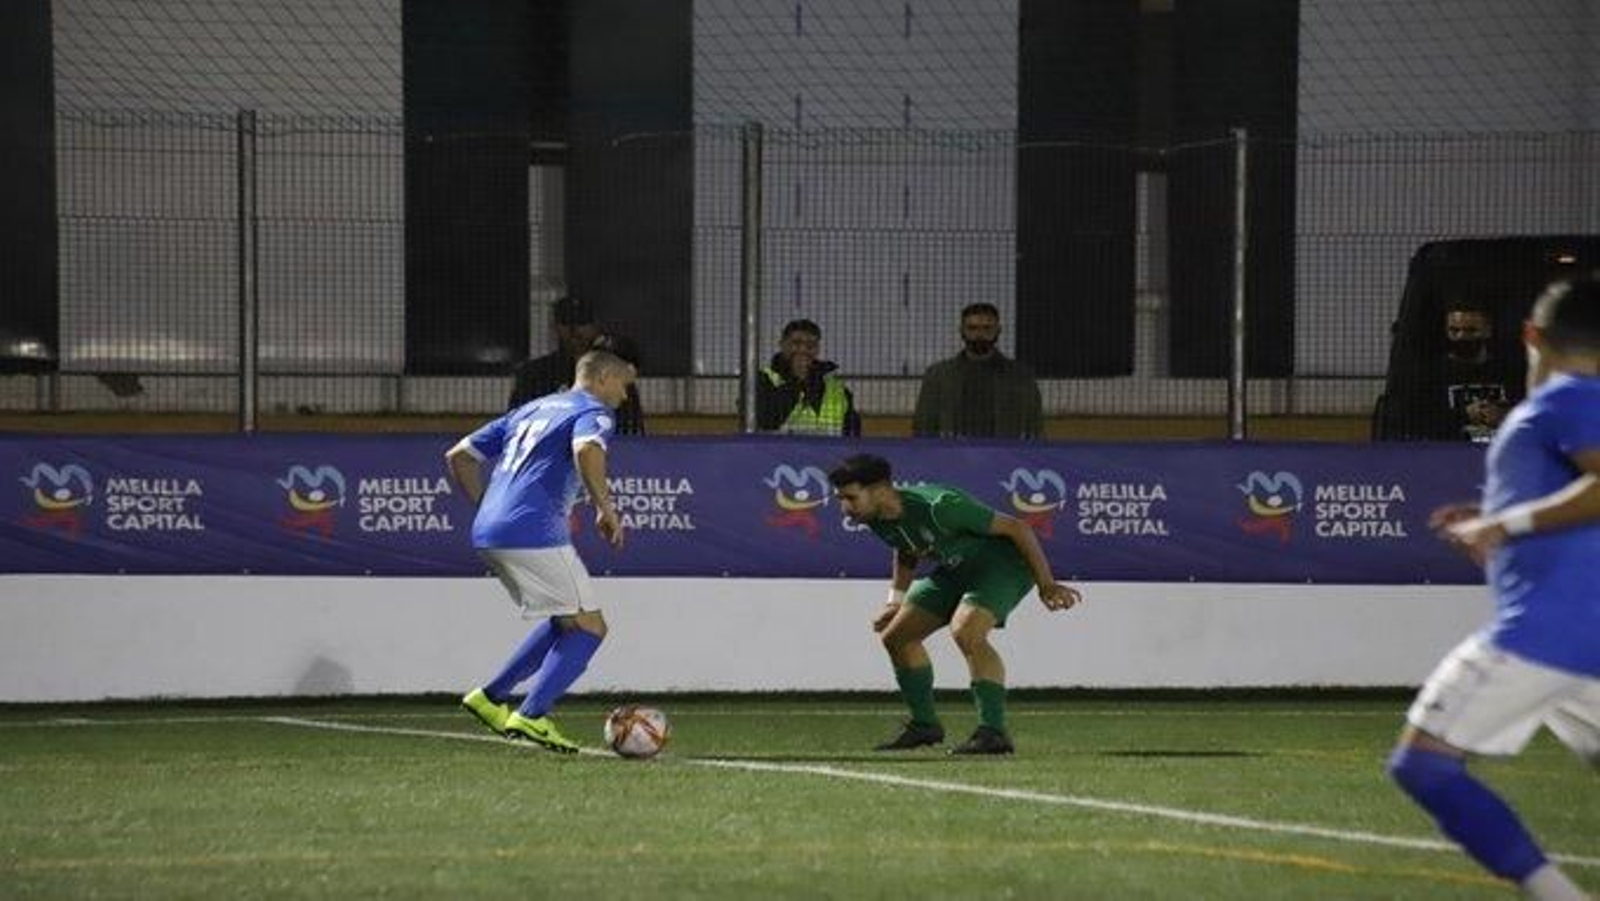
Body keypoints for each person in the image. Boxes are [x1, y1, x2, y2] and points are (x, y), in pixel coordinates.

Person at [1388, 275, 1600, 901]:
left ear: (1531, 335)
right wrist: (1494, 514)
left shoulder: (1565, 398)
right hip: (1583, 637)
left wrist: (1504, 524)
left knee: (1423, 764)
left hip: (1544, 633)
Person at [447, 348, 637, 753]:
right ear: (602, 378)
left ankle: (490, 697)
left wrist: (488, 508)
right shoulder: (595, 411)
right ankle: (532, 716)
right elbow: (586, 450)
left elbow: (459, 456)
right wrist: (605, 508)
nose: (625, 396)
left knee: (567, 619)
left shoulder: (531, 409)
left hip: (489, 531)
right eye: (623, 385)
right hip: (533, 531)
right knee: (591, 627)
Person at [827, 453, 1082, 754]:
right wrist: (895, 602)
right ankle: (925, 726)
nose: (845, 508)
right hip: (955, 569)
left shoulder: (941, 507)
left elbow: (1018, 528)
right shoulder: (875, 517)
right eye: (841, 499)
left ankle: (993, 733)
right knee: (897, 638)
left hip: (1002, 566)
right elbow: (906, 549)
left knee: (967, 631)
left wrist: (1046, 584)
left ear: (880, 490)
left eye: (850, 498)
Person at [1383, 302, 1521, 442]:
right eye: (1454, 330)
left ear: (1488, 330)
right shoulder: (1430, 374)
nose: (1461, 336)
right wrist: (1465, 415)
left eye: (1471, 330)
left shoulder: (1509, 371)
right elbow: (1417, 423)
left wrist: (1506, 416)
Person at [509, 295, 645, 435]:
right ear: (555, 327)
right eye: (566, 322)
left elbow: (632, 429)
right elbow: (516, 425)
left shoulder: (615, 373)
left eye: (582, 322)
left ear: (595, 327)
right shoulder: (533, 374)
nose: (574, 330)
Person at [912, 302, 1043, 440]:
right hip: (953, 451)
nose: (980, 335)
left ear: (998, 330)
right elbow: (923, 426)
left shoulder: (1021, 377)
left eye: (987, 328)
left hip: (1004, 451)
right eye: (972, 328)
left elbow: (1034, 428)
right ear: (961, 331)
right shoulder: (938, 376)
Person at [755, 318, 862, 436]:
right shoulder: (762, 380)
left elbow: (852, 435)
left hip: (830, 449)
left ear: (817, 349)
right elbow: (766, 422)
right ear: (782, 344)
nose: (803, 349)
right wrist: (796, 381)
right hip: (778, 449)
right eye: (796, 343)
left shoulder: (838, 390)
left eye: (810, 345)